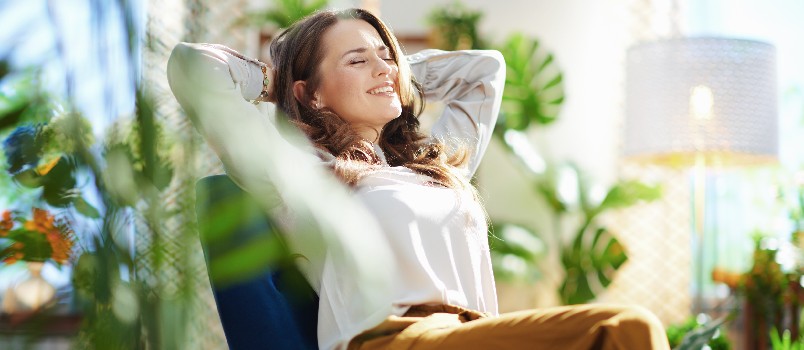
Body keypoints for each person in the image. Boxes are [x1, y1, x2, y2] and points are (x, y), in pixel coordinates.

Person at [168, 8, 670, 350]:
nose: (383, 67)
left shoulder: (437, 169)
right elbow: (191, 66)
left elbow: (485, 71)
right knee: (625, 330)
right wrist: (285, 82)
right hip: (392, 340)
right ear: (312, 94)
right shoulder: (299, 175)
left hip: (472, 333)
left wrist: (390, 73)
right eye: (357, 60)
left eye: (386, 56)